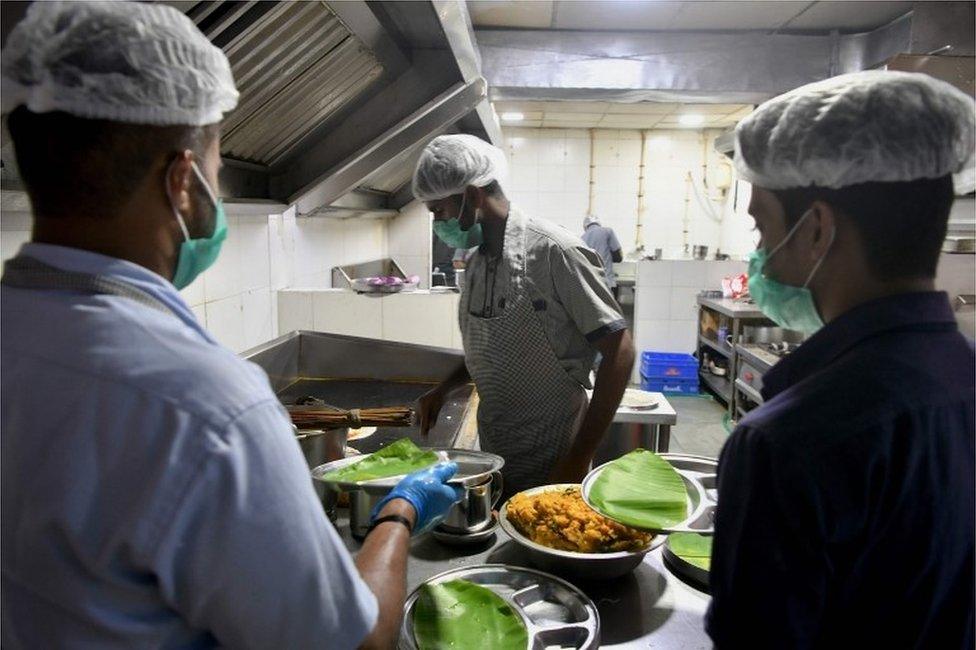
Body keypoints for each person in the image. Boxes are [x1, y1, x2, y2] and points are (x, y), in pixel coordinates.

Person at [0, 4, 459, 648]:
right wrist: (399, 513)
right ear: (182, 182)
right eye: (217, 166)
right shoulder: (205, 407)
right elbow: (356, 641)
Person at [707, 70, 975, 649]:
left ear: (817, 229)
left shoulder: (787, 442)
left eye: (762, 229)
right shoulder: (962, 374)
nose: (761, 260)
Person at [412, 134, 636, 497]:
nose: (438, 223)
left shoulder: (554, 252)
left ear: (471, 196)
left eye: (438, 211)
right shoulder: (475, 262)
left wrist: (580, 456)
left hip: (559, 455)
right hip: (496, 453)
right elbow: (492, 348)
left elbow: (620, 352)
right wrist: (443, 389)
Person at [580, 214, 623, 300]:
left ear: (585, 226)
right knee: (610, 310)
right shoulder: (607, 231)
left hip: (590, 283)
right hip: (607, 282)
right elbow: (618, 257)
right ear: (599, 223)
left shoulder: (582, 238)